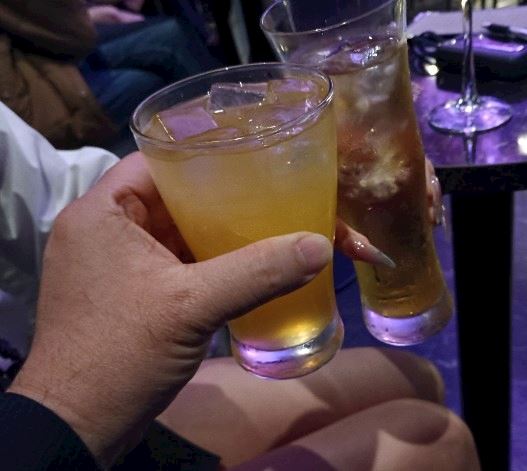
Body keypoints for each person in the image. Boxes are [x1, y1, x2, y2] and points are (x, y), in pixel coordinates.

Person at [0, 149, 479, 469]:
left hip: (19, 402)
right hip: (44, 439)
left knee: (418, 378)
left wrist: (313, 172)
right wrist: (68, 410)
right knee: (441, 438)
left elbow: (63, 198)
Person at [0, 0, 219, 150]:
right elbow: (79, 36)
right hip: (35, 105)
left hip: (42, 62)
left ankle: (220, 126)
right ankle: (208, 144)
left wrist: (90, 13)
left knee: (170, 35)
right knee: (150, 86)